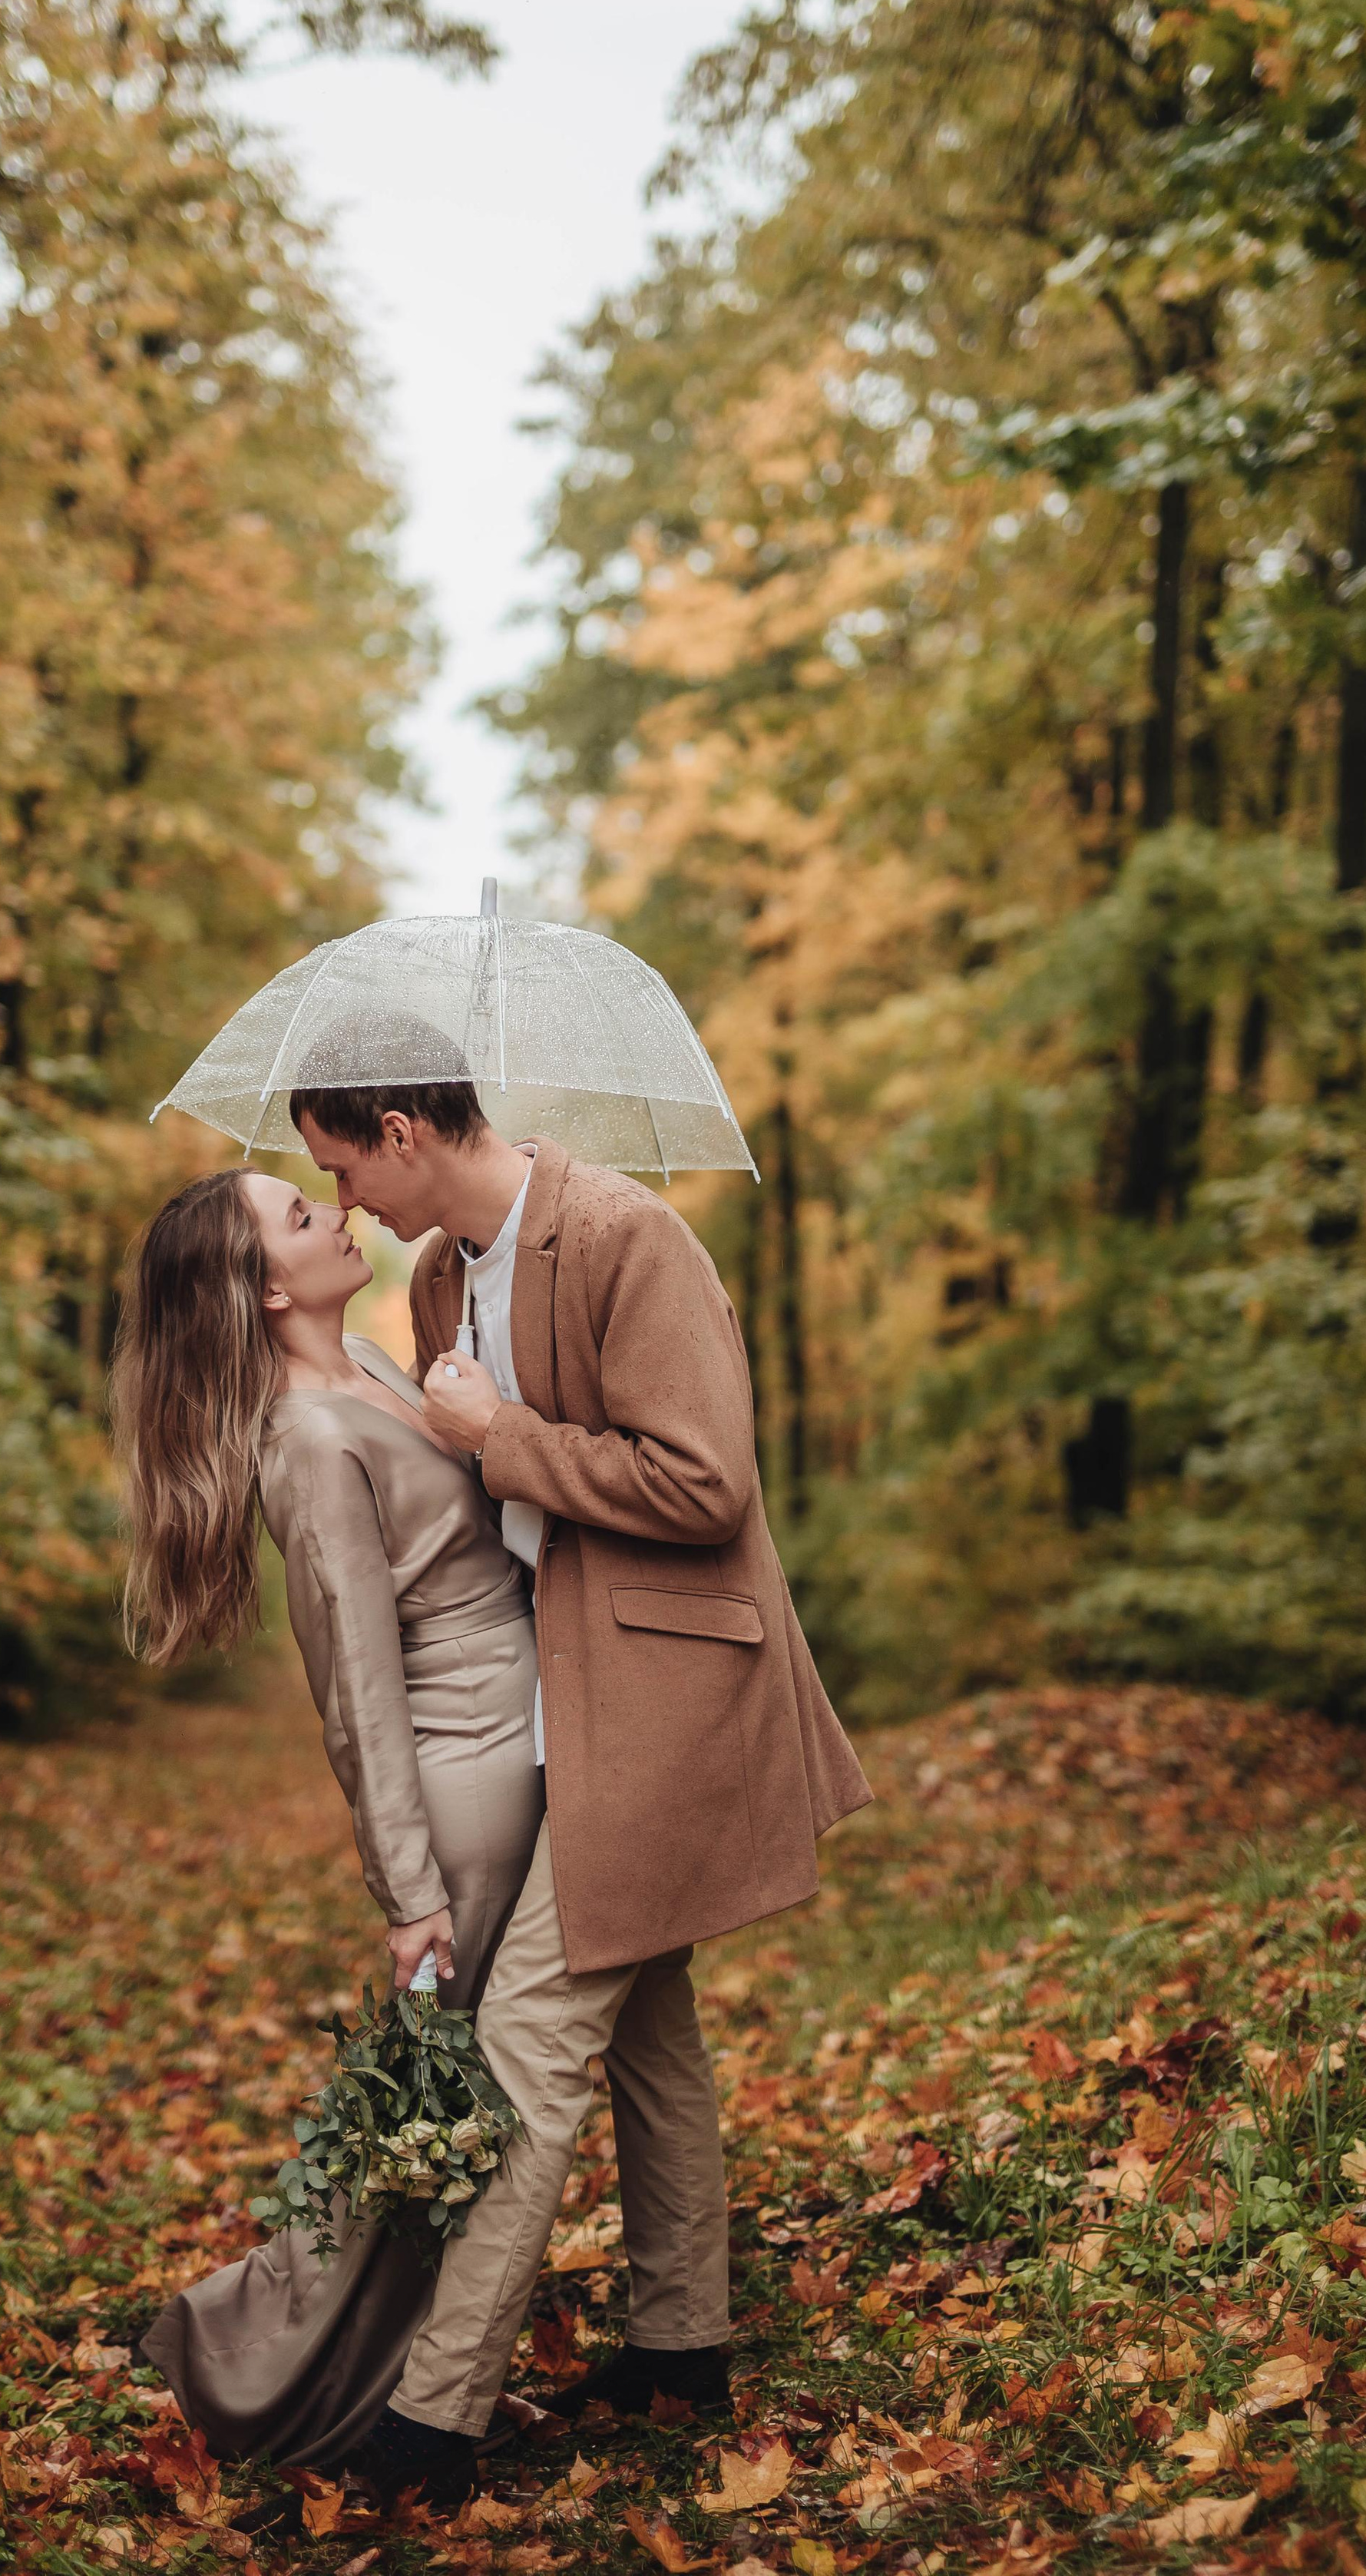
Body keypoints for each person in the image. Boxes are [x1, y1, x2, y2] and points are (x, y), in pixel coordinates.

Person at [289, 1028, 872, 2508]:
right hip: (564, 1702)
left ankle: (433, 2423)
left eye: (341, 1163)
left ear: (404, 1131)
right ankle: (683, 2346)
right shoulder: (437, 1280)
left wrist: (505, 1437)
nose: (341, 1199)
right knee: (649, 2024)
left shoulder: (625, 1238)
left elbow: (706, 1484)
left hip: (671, 1693)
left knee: (531, 2039)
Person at [111, 1161, 545, 2471]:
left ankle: (388, 2370)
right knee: (446, 2103)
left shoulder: (364, 1360)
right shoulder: (303, 1442)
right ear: (260, 1288)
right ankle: (266, 2362)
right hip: (471, 1777)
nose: (335, 1213)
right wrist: (409, 1891)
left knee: (460, 2095)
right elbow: (356, 1684)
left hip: (527, 1727)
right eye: (301, 1217)